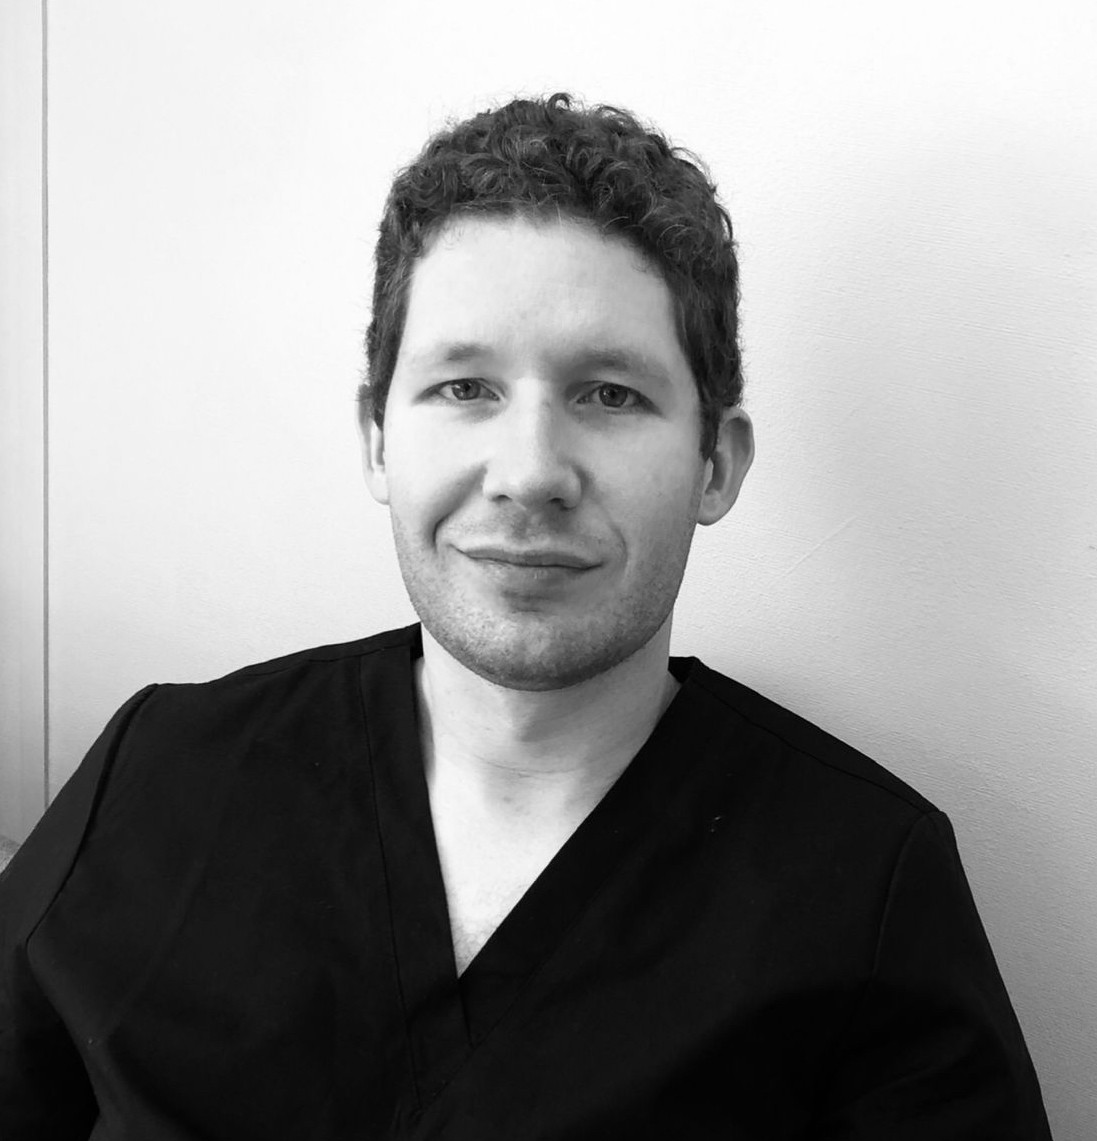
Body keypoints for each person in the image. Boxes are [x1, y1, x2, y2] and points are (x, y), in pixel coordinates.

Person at [0, 92, 1051, 1139]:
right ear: (376, 439)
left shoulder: (866, 893)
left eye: (609, 394)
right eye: (465, 387)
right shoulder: (157, 773)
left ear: (715, 465)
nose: (530, 471)